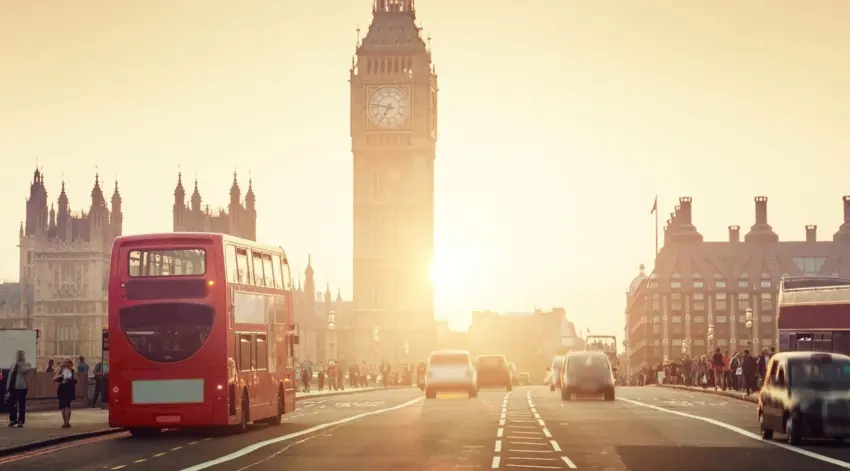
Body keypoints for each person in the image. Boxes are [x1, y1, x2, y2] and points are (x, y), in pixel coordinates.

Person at [6, 350, 32, 428]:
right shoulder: (13, 365)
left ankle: (21, 420)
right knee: (11, 403)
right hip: (13, 387)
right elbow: (10, 376)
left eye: (20, 355)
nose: (19, 357)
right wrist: (7, 386)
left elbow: (25, 370)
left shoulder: (26, 364)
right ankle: (13, 420)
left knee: (21, 404)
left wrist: (21, 364)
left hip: (21, 387)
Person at [54, 358, 77, 428]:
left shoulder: (63, 370)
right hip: (67, 388)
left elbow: (54, 379)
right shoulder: (71, 371)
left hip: (64, 388)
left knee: (64, 406)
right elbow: (76, 380)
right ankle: (66, 422)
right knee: (66, 406)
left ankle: (66, 422)